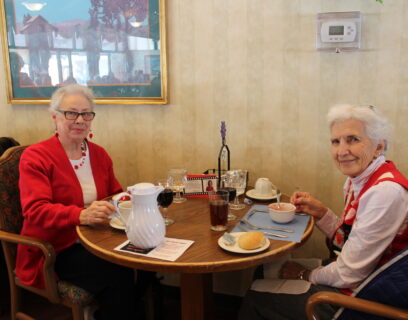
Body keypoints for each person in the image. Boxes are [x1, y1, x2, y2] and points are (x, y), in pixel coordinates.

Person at [239, 104, 408, 319]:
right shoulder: (360, 180)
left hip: (363, 297)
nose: (341, 151)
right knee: (265, 270)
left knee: (257, 298)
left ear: (378, 146)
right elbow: (350, 242)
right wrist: (322, 214)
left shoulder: (385, 193)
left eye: (353, 139)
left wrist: (304, 274)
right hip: (364, 275)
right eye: (335, 141)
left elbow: (349, 274)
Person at [16, 84, 138, 319]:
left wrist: (132, 200)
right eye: (71, 113)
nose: (80, 120)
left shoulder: (99, 154)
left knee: (144, 261)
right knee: (118, 271)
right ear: (55, 117)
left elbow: (114, 195)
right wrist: (81, 215)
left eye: (86, 114)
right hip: (55, 250)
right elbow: (35, 210)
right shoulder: (36, 157)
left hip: (97, 239)